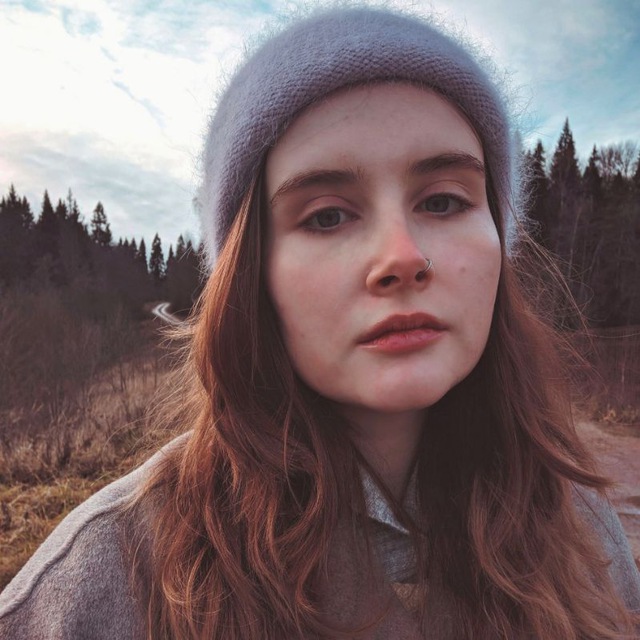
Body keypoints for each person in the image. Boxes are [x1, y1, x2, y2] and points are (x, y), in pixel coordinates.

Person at [1, 5, 639, 639]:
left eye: (444, 201)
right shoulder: (106, 582)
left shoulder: (584, 536)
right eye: (328, 216)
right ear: (251, 273)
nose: (401, 258)